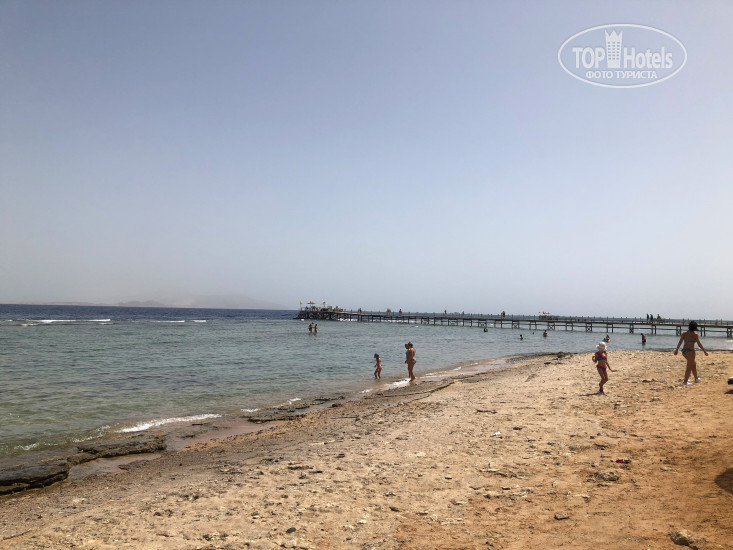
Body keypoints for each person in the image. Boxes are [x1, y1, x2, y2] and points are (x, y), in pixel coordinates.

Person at [674, 321, 708, 386]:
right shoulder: (695, 335)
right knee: (689, 366)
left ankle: (696, 378)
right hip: (691, 351)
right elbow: (699, 344)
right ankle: (685, 381)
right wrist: (704, 351)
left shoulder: (684, 333)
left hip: (684, 351)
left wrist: (676, 350)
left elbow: (680, 342)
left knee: (693, 364)